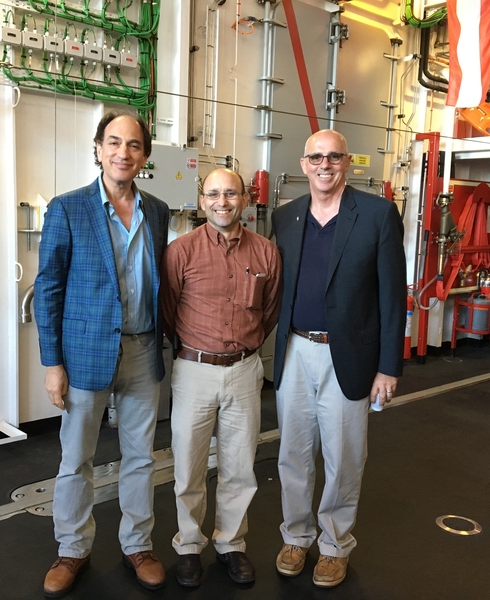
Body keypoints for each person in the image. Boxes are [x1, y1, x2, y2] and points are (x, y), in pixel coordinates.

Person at [34, 112, 170, 598]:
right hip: (85, 355)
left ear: (145, 156)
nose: (123, 153)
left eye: (134, 145)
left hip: (142, 350)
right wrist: (53, 364)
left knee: (140, 458)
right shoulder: (68, 209)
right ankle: (72, 548)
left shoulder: (157, 211)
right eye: (114, 142)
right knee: (76, 459)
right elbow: (47, 288)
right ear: (97, 148)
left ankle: (138, 545)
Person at [271, 129, 406, 588]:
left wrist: (388, 367)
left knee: (344, 456)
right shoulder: (285, 216)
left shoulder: (377, 214)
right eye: (316, 157)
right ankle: (296, 536)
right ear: (304, 163)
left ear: (348, 162)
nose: (324, 165)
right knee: (291, 454)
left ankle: (333, 545)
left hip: (349, 355)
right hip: (294, 349)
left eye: (333, 157)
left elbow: (393, 298)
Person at [161, 168, 282, 588]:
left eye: (230, 194)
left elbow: (269, 312)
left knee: (239, 467)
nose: (222, 202)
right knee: (189, 467)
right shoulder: (181, 251)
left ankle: (231, 543)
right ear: (201, 200)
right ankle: (189, 545)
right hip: (193, 370)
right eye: (213, 194)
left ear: (245, 200)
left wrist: (243, 350)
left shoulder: (266, 252)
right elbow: (168, 311)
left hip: (245, 371)